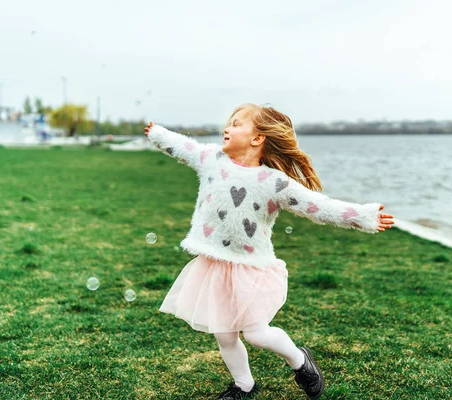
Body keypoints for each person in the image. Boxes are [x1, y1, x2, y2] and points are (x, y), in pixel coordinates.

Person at [144, 104, 394, 399]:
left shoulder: (274, 183)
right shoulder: (213, 160)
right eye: (228, 123)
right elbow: (183, 147)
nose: (227, 128)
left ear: (257, 138)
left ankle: (300, 361)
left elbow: (319, 206)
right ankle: (243, 385)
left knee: (256, 334)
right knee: (224, 334)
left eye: (236, 124)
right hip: (214, 264)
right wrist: (158, 134)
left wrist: (362, 216)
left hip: (251, 268)